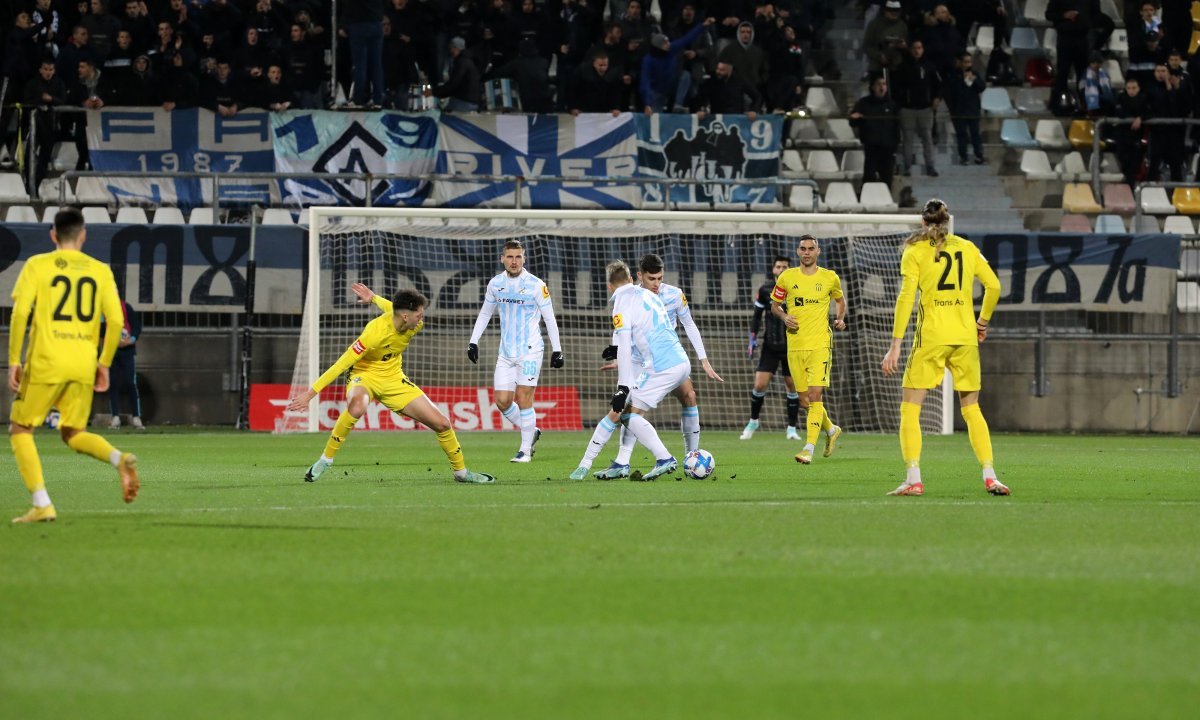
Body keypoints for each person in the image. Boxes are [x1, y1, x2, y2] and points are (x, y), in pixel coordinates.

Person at [7, 208, 140, 523]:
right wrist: (103, 363)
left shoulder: (37, 265)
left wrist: (14, 358)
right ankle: (118, 458)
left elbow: (20, 313)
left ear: (53, 234)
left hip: (46, 360)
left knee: (20, 428)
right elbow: (117, 320)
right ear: (83, 236)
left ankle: (42, 503)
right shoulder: (100, 270)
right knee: (73, 431)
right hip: (82, 363)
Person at [288, 283, 495, 485]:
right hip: (364, 375)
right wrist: (310, 394)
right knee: (358, 406)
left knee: (442, 424)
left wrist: (374, 298)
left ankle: (461, 472)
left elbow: (392, 307)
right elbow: (341, 363)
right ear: (406, 316)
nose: (421, 318)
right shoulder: (373, 334)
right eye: (419, 314)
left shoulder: (412, 324)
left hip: (393, 378)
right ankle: (326, 460)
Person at [880, 198, 1008, 497]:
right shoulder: (966, 247)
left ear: (923, 222)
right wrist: (982, 323)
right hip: (965, 337)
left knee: (910, 409)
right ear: (947, 222)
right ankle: (990, 476)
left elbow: (906, 299)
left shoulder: (914, 251)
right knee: (972, 409)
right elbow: (995, 287)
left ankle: (914, 478)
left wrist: (895, 345)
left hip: (932, 338)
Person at [591, 253, 724, 479]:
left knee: (689, 395)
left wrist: (704, 360)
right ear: (639, 276)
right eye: (652, 279)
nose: (657, 284)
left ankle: (691, 456)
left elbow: (689, 324)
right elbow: (620, 330)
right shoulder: (631, 295)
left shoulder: (674, 295)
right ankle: (622, 461)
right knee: (630, 410)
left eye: (660, 278)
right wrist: (617, 356)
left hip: (664, 359)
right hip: (637, 360)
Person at [568, 261, 690, 482]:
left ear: (609, 287)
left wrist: (622, 388)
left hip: (660, 366)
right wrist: (615, 348)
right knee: (628, 414)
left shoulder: (621, 303)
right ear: (633, 280)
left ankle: (664, 458)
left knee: (627, 415)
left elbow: (625, 345)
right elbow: (647, 328)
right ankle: (620, 463)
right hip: (680, 361)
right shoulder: (650, 296)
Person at [467, 240, 564, 463]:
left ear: (524, 258)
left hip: (530, 350)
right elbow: (484, 314)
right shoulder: (495, 284)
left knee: (523, 398)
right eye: (510, 257)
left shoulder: (536, 285)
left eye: (518, 257)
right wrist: (473, 342)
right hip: (506, 352)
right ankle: (532, 431)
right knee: (502, 401)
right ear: (503, 259)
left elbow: (549, 318)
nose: (514, 261)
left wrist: (557, 349)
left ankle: (525, 450)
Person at [770, 235, 845, 464]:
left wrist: (840, 319)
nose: (807, 252)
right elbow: (775, 305)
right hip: (795, 346)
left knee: (815, 396)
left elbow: (840, 301)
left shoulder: (830, 277)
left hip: (820, 344)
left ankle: (808, 448)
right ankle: (831, 430)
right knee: (804, 400)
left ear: (818, 251)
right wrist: (783, 316)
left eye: (811, 248)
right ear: (798, 251)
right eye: (803, 248)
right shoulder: (786, 277)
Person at [741, 255, 804, 441]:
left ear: (790, 268)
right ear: (774, 269)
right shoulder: (765, 289)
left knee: (792, 385)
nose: (781, 269)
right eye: (778, 266)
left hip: (791, 346)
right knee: (759, 383)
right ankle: (753, 421)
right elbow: (756, 316)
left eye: (785, 266)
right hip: (770, 345)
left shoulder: (797, 289)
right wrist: (752, 338)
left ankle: (791, 428)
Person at [892, 38, 940, 177]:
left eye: (919, 48)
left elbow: (938, 85)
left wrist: (936, 98)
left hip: (925, 108)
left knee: (927, 139)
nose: (917, 51)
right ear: (910, 49)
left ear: (923, 49)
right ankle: (907, 167)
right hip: (907, 109)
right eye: (914, 47)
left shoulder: (929, 66)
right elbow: (896, 88)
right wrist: (900, 104)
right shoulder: (902, 67)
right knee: (907, 139)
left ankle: (930, 166)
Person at [849, 74, 901, 186]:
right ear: (872, 87)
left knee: (887, 178)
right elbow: (853, 121)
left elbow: (896, 126)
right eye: (878, 84)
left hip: (888, 147)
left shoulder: (892, 105)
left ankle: (886, 199)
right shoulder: (864, 103)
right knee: (869, 177)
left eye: (884, 84)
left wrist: (896, 143)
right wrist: (854, 117)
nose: (881, 87)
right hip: (872, 146)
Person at [105, 298, 144, 429]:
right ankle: (115, 417)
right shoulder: (104, 310)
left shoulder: (126, 307)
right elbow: (99, 329)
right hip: (111, 352)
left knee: (130, 382)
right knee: (113, 383)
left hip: (127, 352)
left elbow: (137, 327)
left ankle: (136, 417)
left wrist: (131, 340)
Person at [943, 51, 985, 165]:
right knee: (962, 135)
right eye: (966, 62)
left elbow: (982, 87)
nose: (968, 64)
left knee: (975, 134)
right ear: (960, 63)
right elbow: (949, 92)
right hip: (959, 110)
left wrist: (973, 79)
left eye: (970, 62)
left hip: (973, 110)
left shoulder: (975, 73)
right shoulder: (953, 75)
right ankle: (963, 157)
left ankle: (978, 155)